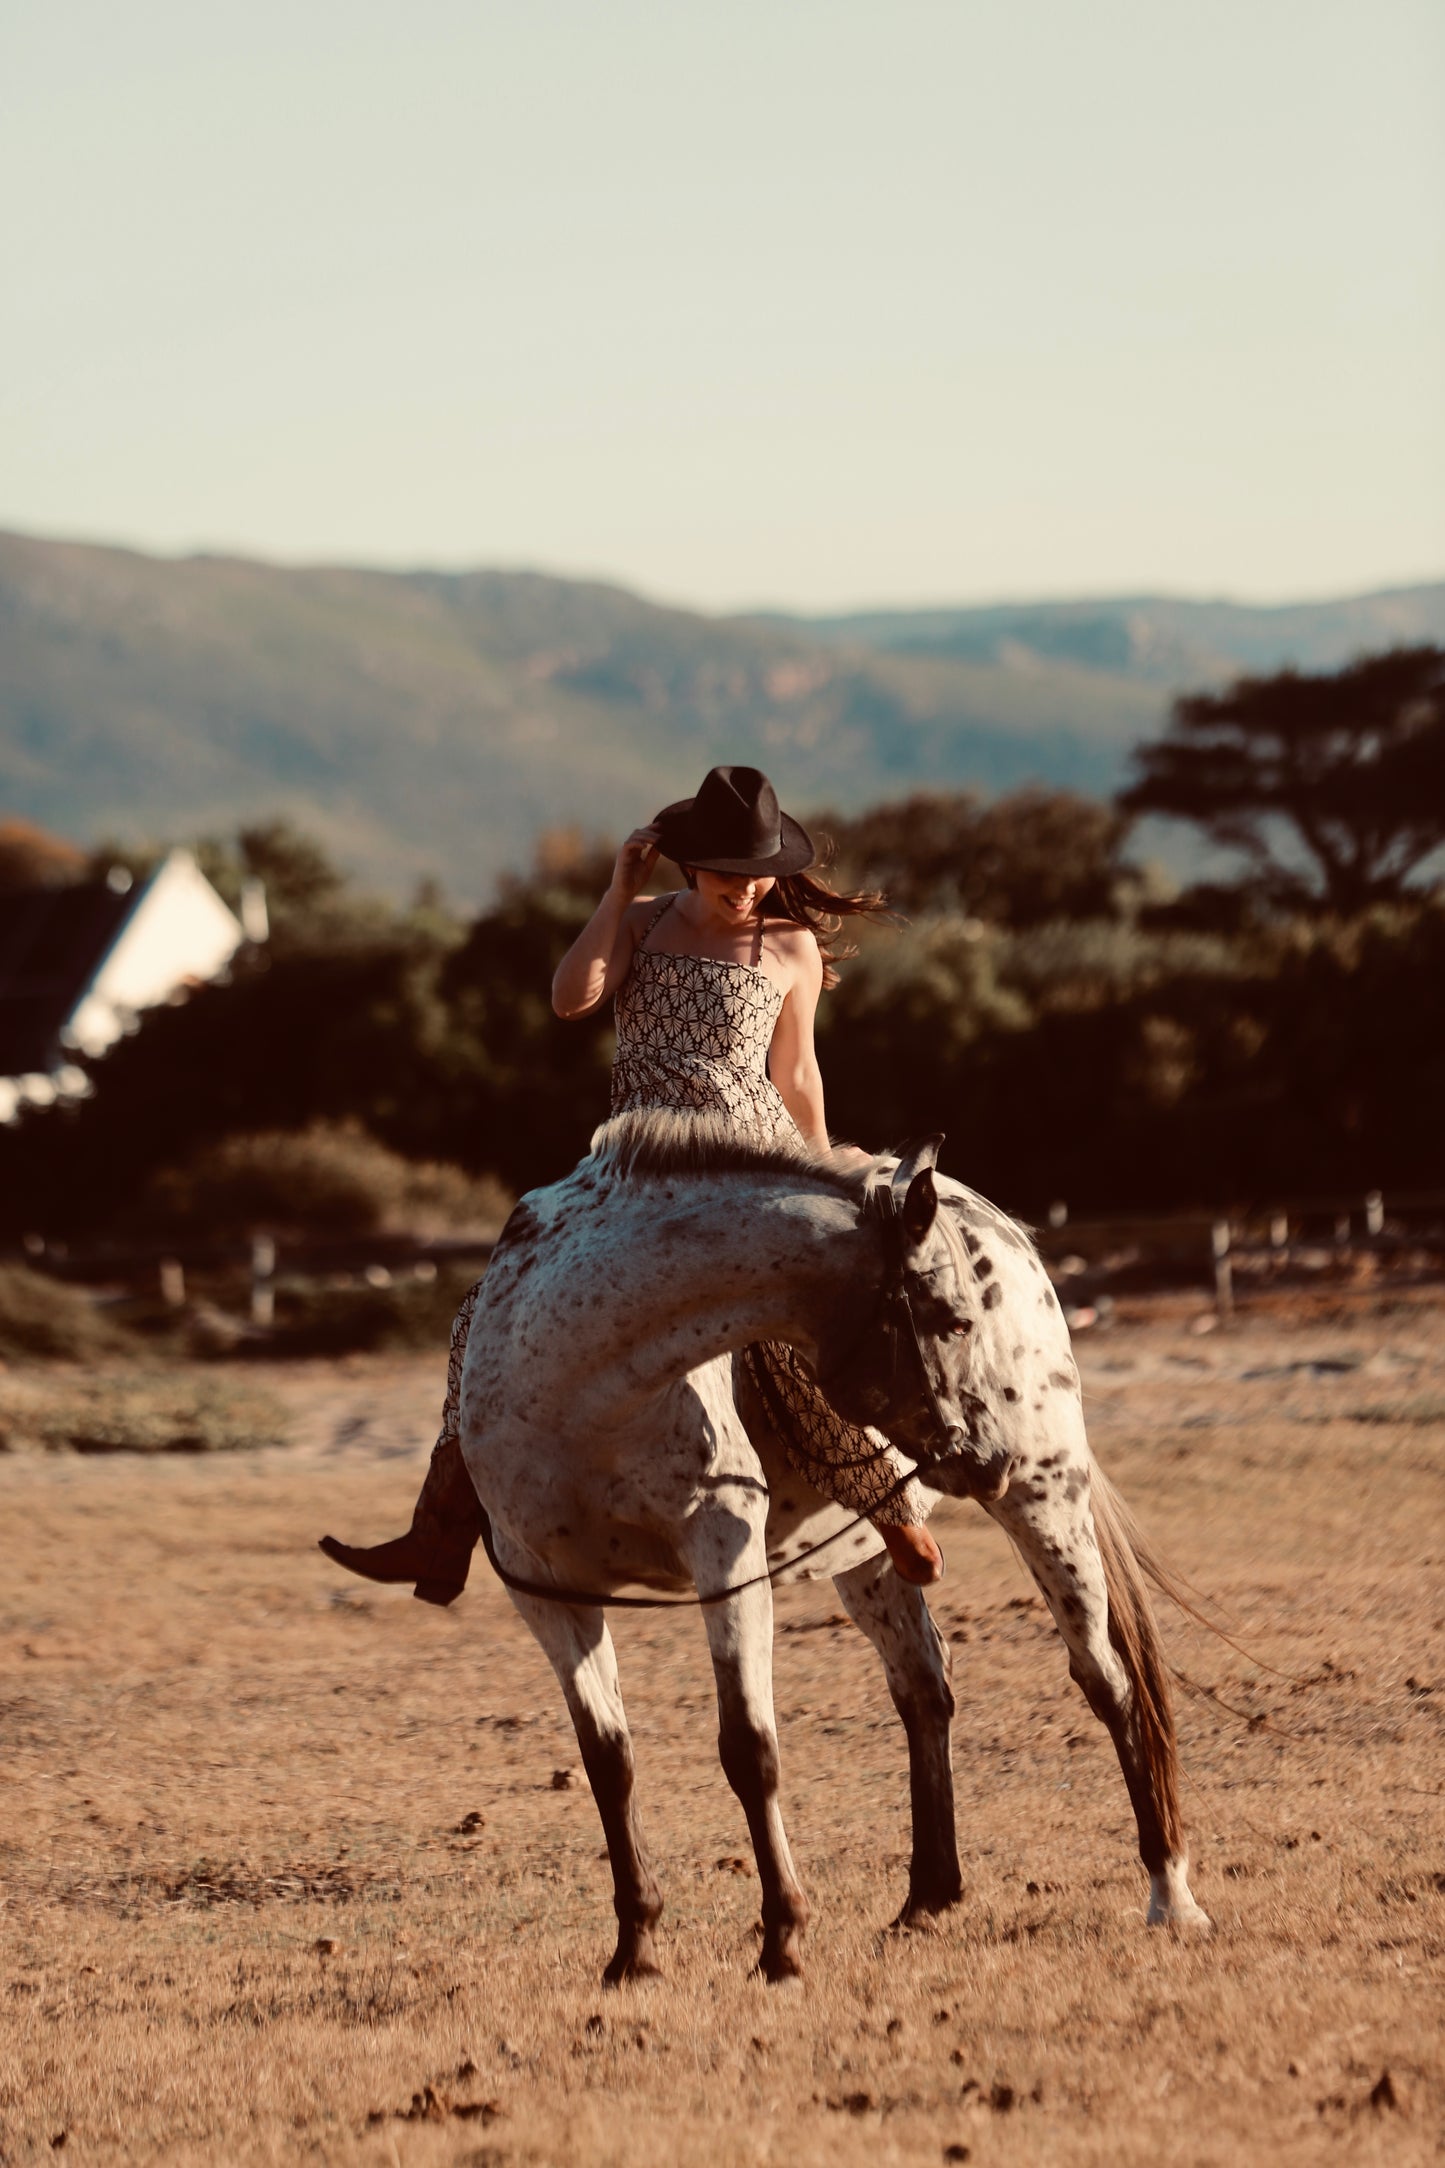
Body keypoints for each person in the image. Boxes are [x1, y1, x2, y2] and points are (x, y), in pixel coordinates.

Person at [320, 765, 943, 1602]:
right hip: (634, 1160)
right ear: (687, 867)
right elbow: (569, 1000)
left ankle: (885, 1500)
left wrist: (823, 1163)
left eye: (762, 871)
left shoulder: (786, 945)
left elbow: (796, 1073)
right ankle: (441, 1532)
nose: (749, 887)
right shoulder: (643, 925)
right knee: (488, 1308)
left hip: (745, 1158)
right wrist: (617, 894)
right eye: (729, 873)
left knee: (786, 1324)